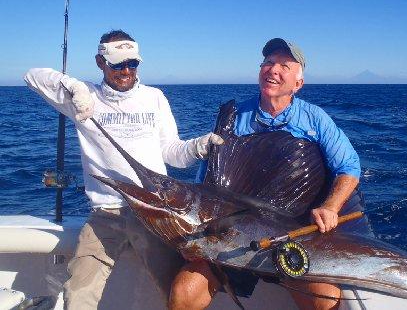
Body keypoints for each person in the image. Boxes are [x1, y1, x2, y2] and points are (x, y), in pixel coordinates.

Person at [24, 30, 222, 310]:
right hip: (105, 214)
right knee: (77, 292)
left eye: (132, 63)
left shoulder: (154, 97)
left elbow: (172, 153)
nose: (126, 70)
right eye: (117, 64)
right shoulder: (84, 97)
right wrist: (74, 87)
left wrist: (197, 147)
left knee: (179, 292)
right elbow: (32, 75)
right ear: (100, 62)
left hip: (154, 211)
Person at [168, 38, 370, 310]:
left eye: (284, 65)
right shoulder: (233, 117)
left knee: (328, 302)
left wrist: (331, 207)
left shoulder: (315, 118)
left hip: (293, 238)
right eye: (268, 63)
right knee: (183, 292)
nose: (273, 69)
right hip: (231, 238)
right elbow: (206, 186)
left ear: (298, 83)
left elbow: (348, 167)